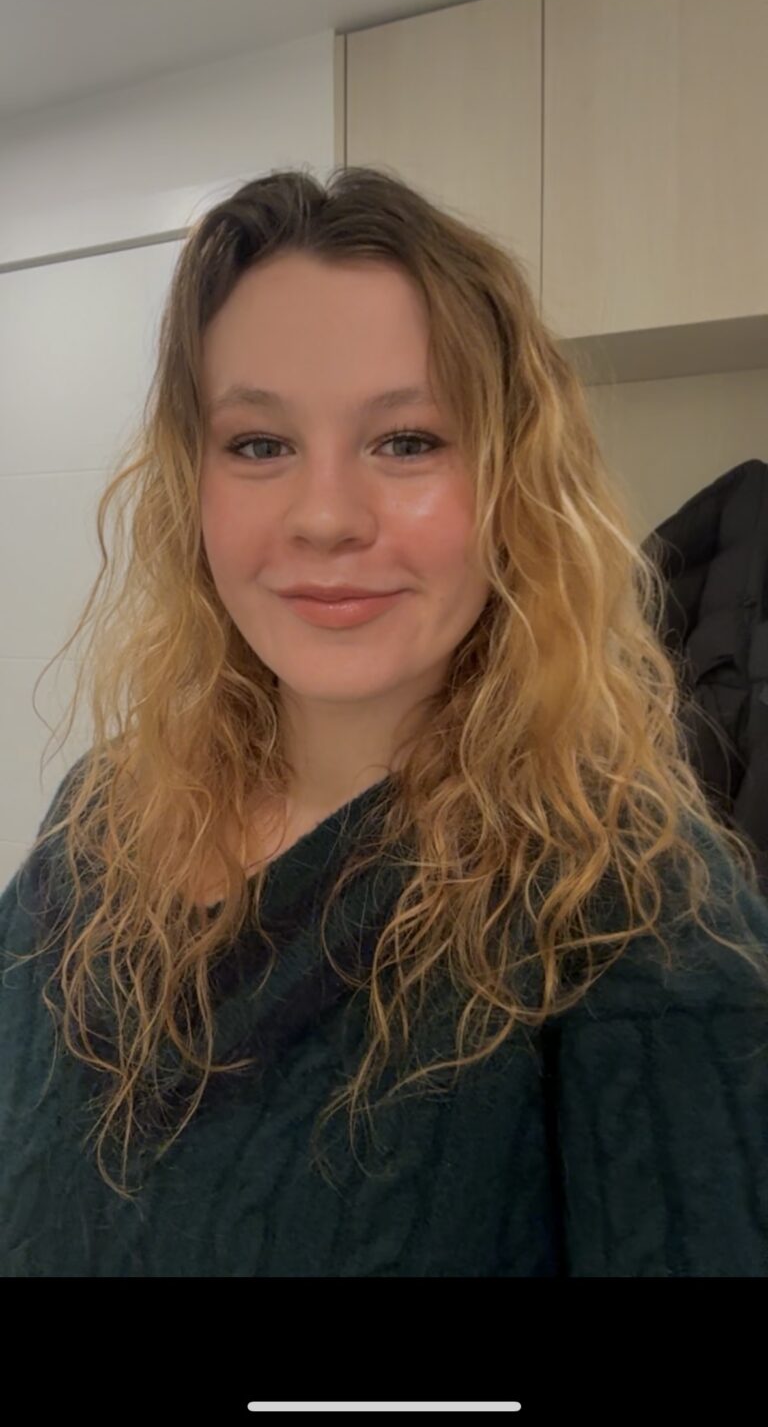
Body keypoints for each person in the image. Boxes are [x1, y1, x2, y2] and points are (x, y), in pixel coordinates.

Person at [2, 165, 768, 1278]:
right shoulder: (101, 818)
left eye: (407, 441)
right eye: (258, 444)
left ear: (514, 483)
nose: (324, 517)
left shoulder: (633, 920)